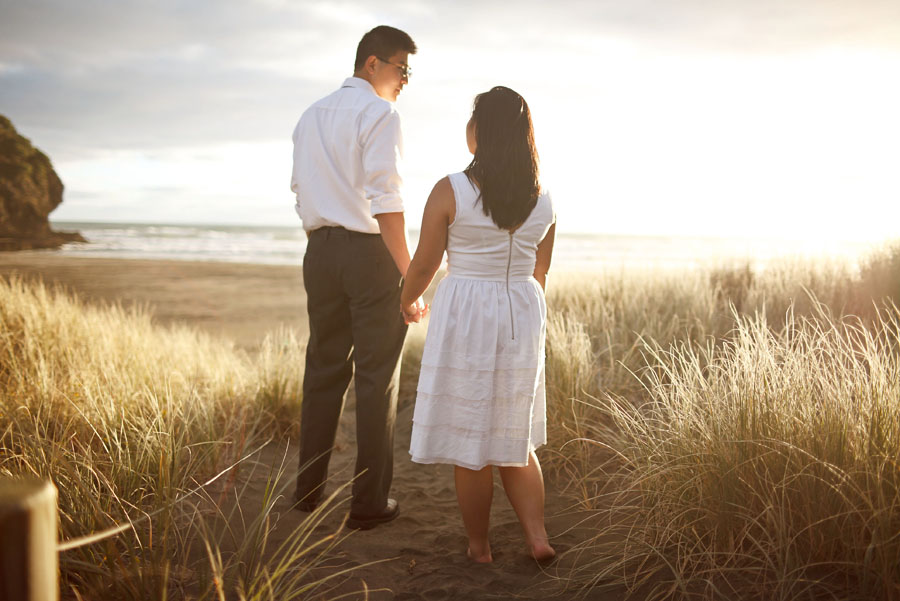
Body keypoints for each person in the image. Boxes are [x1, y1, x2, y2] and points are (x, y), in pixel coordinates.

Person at [400, 86, 557, 562]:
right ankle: (537, 538)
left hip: (467, 312)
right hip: (520, 311)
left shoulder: (451, 189)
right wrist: (517, 317)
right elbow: (540, 272)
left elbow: (425, 264)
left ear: (479, 133)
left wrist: (408, 301)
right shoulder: (544, 199)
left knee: (472, 443)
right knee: (515, 437)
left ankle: (479, 547)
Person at [290, 25, 425, 530]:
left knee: (323, 371)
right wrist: (410, 275)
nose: (406, 81)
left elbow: (301, 191)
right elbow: (386, 201)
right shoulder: (380, 112)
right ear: (372, 64)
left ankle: (307, 492)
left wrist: (323, 243)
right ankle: (368, 505)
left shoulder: (310, 115)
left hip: (319, 252)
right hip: (370, 256)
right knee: (376, 378)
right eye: (401, 69)